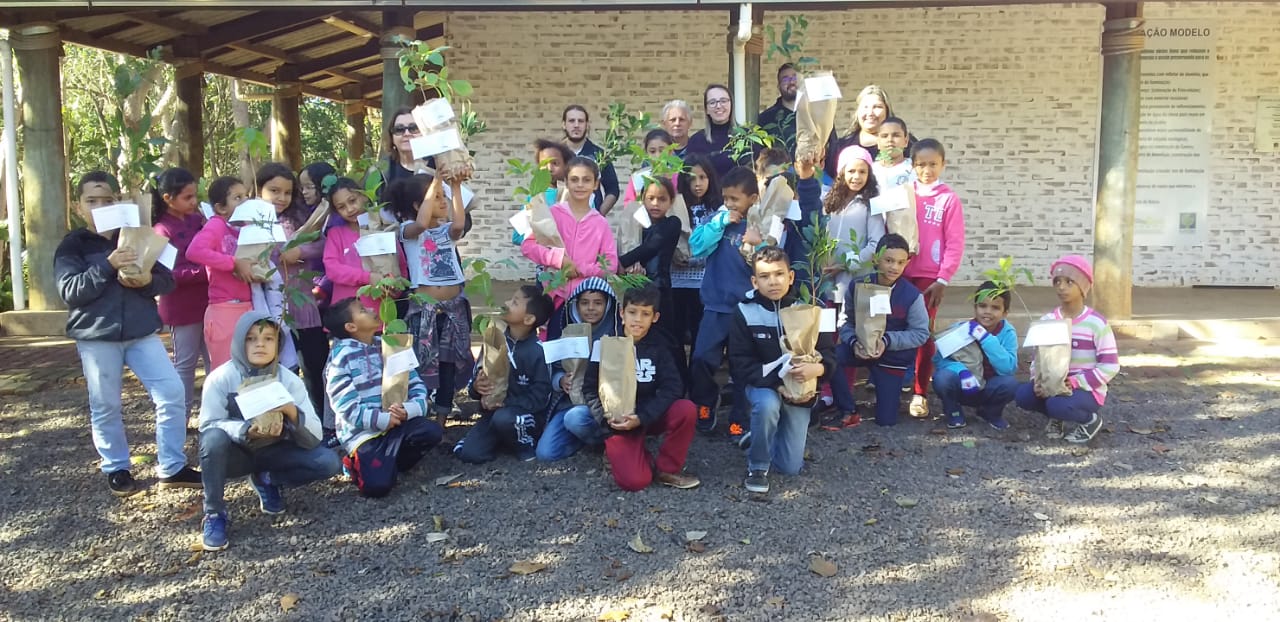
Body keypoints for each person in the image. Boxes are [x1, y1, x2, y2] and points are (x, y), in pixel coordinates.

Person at [57, 171, 201, 497]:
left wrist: (145, 281)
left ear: (118, 202)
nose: (99, 206)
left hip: (141, 333)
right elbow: (70, 291)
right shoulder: (73, 245)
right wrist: (108, 265)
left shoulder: (138, 235)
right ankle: (117, 467)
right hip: (96, 337)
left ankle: (172, 465)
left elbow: (168, 281)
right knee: (105, 404)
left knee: (171, 392)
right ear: (79, 207)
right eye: (91, 201)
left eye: (107, 200)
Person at [197, 311, 341, 551]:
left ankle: (267, 479)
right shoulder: (221, 378)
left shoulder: (288, 379)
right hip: (237, 454)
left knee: (328, 462)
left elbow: (315, 435)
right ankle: (214, 514)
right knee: (212, 439)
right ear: (239, 342)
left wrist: (292, 412)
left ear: (279, 344)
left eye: (268, 339)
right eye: (251, 338)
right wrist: (243, 430)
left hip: (276, 453)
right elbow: (208, 424)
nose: (260, 345)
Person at [729, 246, 835, 494]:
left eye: (779, 274)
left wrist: (817, 369)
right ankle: (757, 467)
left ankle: (755, 438)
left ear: (791, 277)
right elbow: (739, 362)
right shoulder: (744, 310)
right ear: (754, 281)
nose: (772, 282)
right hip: (764, 385)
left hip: (800, 390)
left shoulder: (810, 308)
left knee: (789, 468)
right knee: (767, 405)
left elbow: (830, 353)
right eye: (764, 277)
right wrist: (777, 385)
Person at [582, 286, 700, 491]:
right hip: (618, 420)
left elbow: (673, 387)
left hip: (649, 415)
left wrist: (643, 417)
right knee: (635, 481)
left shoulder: (661, 346)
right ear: (622, 313)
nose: (637, 319)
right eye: (632, 312)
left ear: (655, 318)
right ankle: (633, 453)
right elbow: (590, 389)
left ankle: (667, 469)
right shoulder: (605, 345)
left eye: (645, 314)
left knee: (686, 409)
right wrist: (606, 419)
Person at [324, 298, 443, 497]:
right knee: (377, 488)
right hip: (363, 435)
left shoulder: (392, 345)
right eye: (362, 310)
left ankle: (389, 463)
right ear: (351, 326)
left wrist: (410, 409)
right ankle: (355, 463)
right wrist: (382, 419)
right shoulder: (341, 357)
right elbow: (344, 406)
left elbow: (416, 384)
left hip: (398, 424)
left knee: (431, 432)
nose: (371, 309)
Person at [390, 174, 474, 422]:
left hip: (453, 308)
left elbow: (459, 224)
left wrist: (455, 187)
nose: (443, 201)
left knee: (448, 363)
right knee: (421, 361)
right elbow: (423, 223)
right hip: (424, 308)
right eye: (436, 197)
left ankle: (441, 420)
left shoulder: (447, 231)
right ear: (418, 205)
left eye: (443, 196)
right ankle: (418, 415)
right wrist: (436, 180)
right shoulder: (408, 230)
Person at [688, 166, 761, 439]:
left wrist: (758, 244)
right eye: (726, 198)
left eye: (735, 199)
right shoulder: (716, 221)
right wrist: (719, 223)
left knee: (742, 367)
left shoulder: (759, 226)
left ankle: (739, 419)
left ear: (752, 198)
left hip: (745, 310)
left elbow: (769, 264)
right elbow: (696, 246)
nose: (729, 204)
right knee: (701, 359)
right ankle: (706, 403)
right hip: (715, 306)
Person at [1015, 256, 1119, 444]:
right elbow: (1038, 359)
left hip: (1085, 389)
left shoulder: (1096, 323)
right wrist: (1037, 381)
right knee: (1023, 396)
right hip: (1052, 383)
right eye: (1057, 281)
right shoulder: (1048, 321)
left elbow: (1110, 366)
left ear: (1083, 287)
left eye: (1069, 282)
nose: (1062, 287)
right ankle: (1057, 416)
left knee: (1056, 404)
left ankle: (1090, 421)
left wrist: (1076, 382)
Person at [831, 234, 930, 427]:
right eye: (889, 260)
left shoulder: (912, 296)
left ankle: (885, 391)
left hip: (893, 357)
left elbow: (921, 333)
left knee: (886, 421)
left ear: (907, 263)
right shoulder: (859, 285)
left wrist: (887, 341)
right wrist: (853, 341)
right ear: (876, 259)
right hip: (859, 348)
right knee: (831, 358)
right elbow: (845, 320)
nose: (894, 267)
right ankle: (848, 409)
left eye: (901, 262)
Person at [518, 156, 619, 339]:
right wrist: (558, 260)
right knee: (553, 348)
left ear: (596, 184)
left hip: (585, 302)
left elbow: (610, 264)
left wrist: (580, 269)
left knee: (582, 354)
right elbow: (527, 246)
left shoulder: (600, 223)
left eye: (586, 180)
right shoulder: (552, 214)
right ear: (565, 182)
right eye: (574, 179)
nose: (580, 185)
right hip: (554, 297)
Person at [902, 139, 967, 419]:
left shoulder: (948, 199)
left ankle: (920, 392)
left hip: (929, 277)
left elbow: (955, 242)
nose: (926, 170)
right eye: (920, 164)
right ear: (912, 165)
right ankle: (890, 385)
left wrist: (943, 278)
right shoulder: (903, 194)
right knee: (892, 325)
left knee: (923, 333)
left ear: (943, 164)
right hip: (900, 271)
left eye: (932, 164)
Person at [455, 285, 554, 463]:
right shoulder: (494, 342)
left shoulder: (539, 352)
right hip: (493, 414)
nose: (506, 303)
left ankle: (524, 445)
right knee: (470, 454)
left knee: (505, 419)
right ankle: (502, 439)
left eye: (515, 302)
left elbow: (541, 398)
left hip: (523, 416)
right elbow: (473, 386)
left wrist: (506, 403)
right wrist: (477, 387)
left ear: (529, 319)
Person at [535, 277, 619, 462]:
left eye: (598, 303)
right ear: (576, 305)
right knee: (546, 453)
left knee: (575, 419)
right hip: (569, 402)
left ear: (608, 305)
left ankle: (605, 440)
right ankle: (583, 439)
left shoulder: (617, 331)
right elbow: (552, 367)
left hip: (604, 406)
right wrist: (560, 380)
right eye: (584, 303)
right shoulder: (565, 329)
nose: (591, 308)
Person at [150, 167, 209, 415]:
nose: (194, 202)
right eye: (187, 197)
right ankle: (180, 417)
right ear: (168, 199)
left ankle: (212, 414)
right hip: (181, 307)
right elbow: (167, 274)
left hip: (210, 301)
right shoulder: (162, 230)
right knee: (184, 364)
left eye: (195, 195)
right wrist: (203, 271)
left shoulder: (198, 220)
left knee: (215, 360)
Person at [932, 282, 1019, 430]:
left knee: (1010, 384)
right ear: (975, 308)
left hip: (989, 388)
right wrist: (961, 371)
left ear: (1005, 313)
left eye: (995, 307)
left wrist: (986, 339)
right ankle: (953, 409)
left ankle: (990, 412)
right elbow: (939, 360)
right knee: (942, 378)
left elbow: (1008, 369)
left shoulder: (1008, 333)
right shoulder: (962, 329)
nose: (987, 311)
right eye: (982, 306)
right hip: (963, 386)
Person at [188, 176, 255, 369]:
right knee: (226, 370)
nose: (244, 202)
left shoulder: (244, 228)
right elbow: (195, 251)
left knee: (248, 368)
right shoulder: (216, 224)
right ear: (221, 208)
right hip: (225, 309)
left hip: (248, 306)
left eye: (246, 197)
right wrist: (233, 263)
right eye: (237, 198)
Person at [322, 177, 407, 310]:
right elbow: (332, 269)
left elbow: (400, 265)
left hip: (381, 315)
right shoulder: (336, 234)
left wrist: (396, 289)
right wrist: (368, 278)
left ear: (364, 197)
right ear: (336, 211)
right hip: (345, 316)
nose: (350, 209)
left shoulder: (383, 230)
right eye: (341, 207)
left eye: (352, 200)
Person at [670, 153, 723, 348]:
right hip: (677, 280)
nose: (697, 183)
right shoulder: (676, 205)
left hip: (704, 281)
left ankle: (695, 376)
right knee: (676, 333)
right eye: (691, 178)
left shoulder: (717, 209)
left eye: (702, 177)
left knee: (699, 333)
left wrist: (697, 258)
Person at [619, 176, 681, 321]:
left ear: (671, 201)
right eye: (651, 198)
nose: (655, 203)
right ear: (642, 200)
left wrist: (622, 262)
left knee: (662, 334)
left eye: (662, 199)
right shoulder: (634, 227)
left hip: (660, 289)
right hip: (634, 287)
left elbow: (652, 246)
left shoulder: (672, 223)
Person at [824, 85, 916, 180]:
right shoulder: (841, 146)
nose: (870, 113)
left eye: (877, 107)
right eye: (865, 107)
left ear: (887, 111)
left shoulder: (903, 143)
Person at [562, 104, 621, 215]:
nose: (576, 125)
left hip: (591, 222)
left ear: (587, 125)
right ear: (564, 124)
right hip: (560, 221)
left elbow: (613, 189)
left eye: (580, 121)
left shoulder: (600, 155)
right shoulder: (556, 155)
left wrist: (599, 214)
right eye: (571, 121)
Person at [686, 84, 746, 178]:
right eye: (712, 102)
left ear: (731, 105)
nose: (718, 106)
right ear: (706, 109)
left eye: (723, 101)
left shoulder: (747, 137)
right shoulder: (696, 142)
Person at [621, 129, 675, 204]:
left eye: (662, 151)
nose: (657, 155)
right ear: (646, 153)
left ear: (670, 151)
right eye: (652, 151)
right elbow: (629, 206)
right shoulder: (637, 178)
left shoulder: (678, 177)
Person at [757, 63, 799, 156]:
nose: (791, 82)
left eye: (795, 77)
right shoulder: (765, 119)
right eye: (785, 79)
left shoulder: (816, 113)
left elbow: (832, 147)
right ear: (779, 86)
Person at [872, 117, 914, 191]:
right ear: (878, 142)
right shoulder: (870, 171)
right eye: (884, 136)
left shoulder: (916, 169)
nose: (890, 140)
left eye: (896, 135)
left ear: (906, 141)